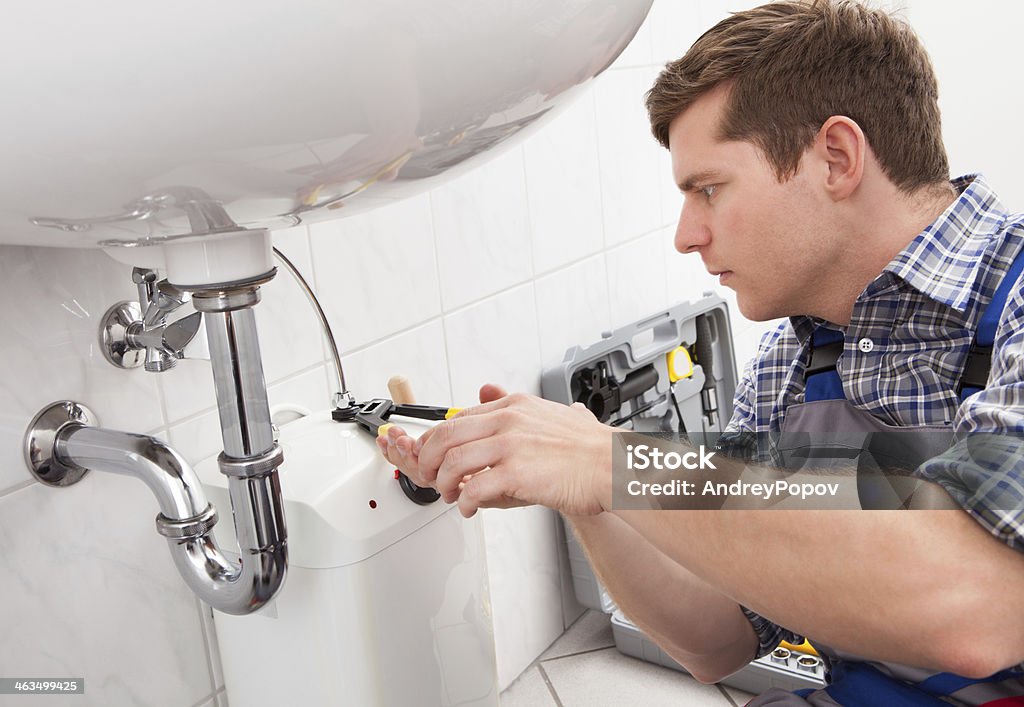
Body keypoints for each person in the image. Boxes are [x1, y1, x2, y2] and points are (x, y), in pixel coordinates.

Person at [376, 1, 1024, 704]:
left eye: (709, 188)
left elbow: (975, 603)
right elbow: (719, 641)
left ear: (836, 158)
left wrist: (617, 465)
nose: (686, 235)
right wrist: (587, 493)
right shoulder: (786, 367)